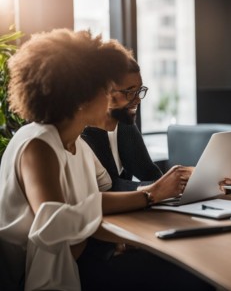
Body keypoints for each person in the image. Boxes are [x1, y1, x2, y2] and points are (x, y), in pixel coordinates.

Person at [0, 29, 211, 290]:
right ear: (79, 96)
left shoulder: (77, 145)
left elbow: (103, 192)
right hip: (36, 280)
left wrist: (159, 190)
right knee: (187, 276)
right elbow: (51, 223)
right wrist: (150, 195)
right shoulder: (38, 144)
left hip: (72, 265)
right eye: (107, 91)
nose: (114, 99)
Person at [81, 58, 192, 191]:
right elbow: (109, 188)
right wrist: (158, 189)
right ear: (107, 92)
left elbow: (149, 173)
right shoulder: (84, 131)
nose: (138, 99)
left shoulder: (124, 124)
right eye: (130, 92)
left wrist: (186, 181)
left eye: (139, 91)